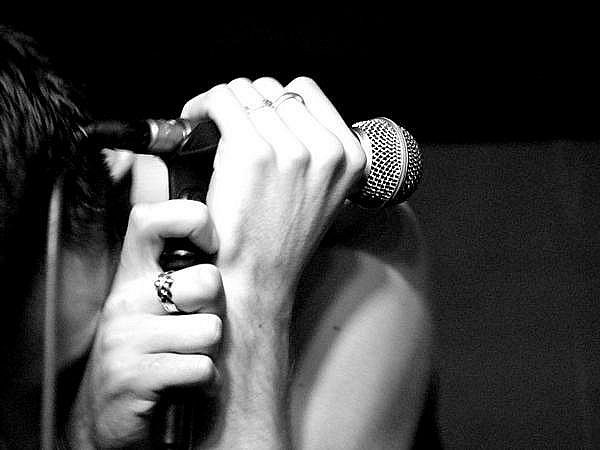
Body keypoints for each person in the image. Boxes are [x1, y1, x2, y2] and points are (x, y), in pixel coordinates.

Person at [0, 25, 434, 449]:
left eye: (69, 374)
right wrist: (85, 436)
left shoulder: (350, 245)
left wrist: (252, 301)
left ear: (111, 161)